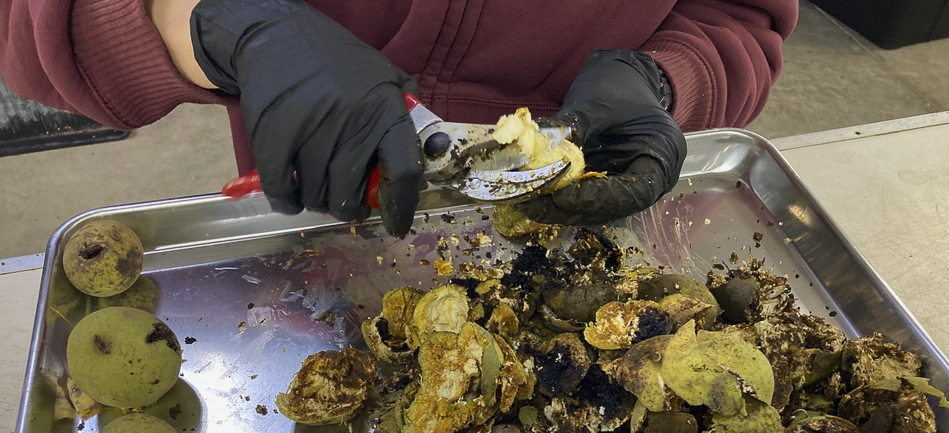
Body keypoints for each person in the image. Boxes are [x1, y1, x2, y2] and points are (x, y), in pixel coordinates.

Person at [0, 0, 797, 236]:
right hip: (322, 237)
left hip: (601, 224)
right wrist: (210, 20)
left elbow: (740, 16)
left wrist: (664, 80)